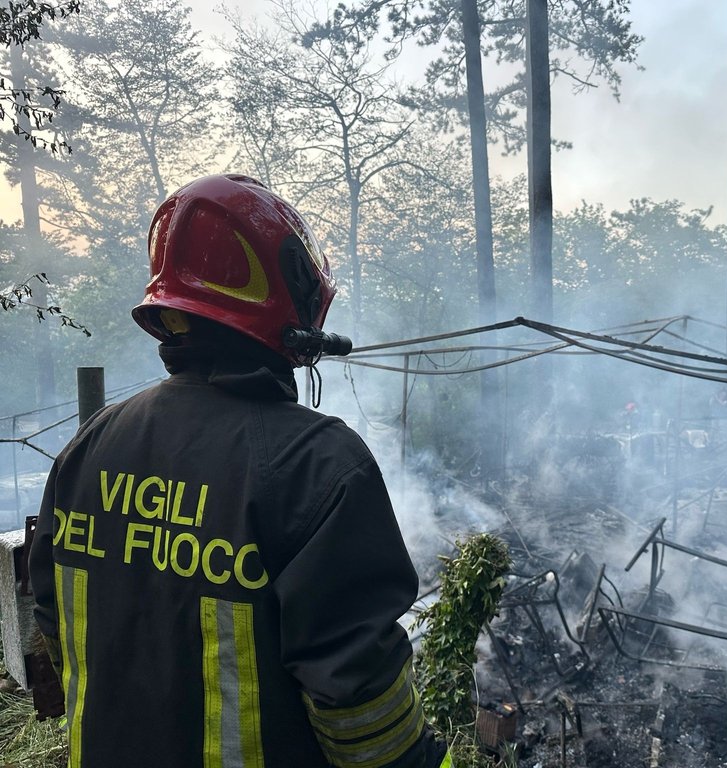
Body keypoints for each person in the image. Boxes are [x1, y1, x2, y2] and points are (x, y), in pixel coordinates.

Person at [28, 174, 451, 768]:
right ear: (292, 300)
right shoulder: (319, 466)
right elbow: (364, 716)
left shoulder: (92, 443)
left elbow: (53, 624)